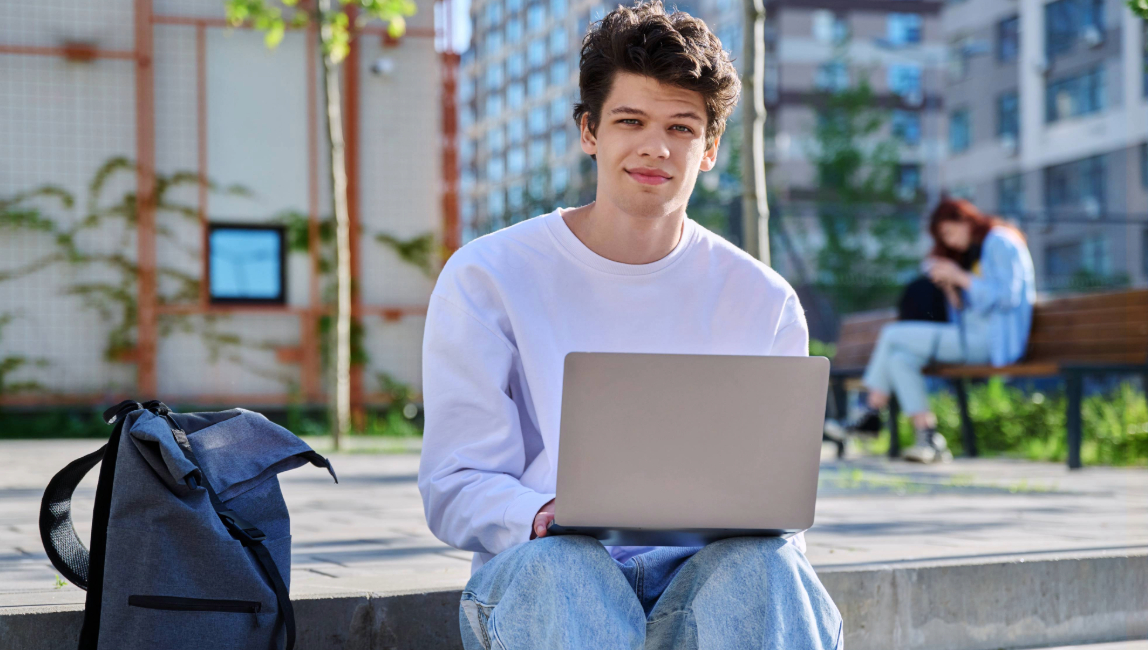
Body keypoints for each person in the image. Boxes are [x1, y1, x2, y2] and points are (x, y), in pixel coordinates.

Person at [417, 3, 843, 648]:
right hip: (550, 576)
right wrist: (537, 514)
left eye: (682, 126)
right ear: (590, 131)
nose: (655, 146)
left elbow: (774, 505)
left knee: (769, 566)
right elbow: (453, 485)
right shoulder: (490, 274)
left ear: (709, 149)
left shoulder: (763, 300)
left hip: (705, 577)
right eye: (630, 121)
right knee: (568, 570)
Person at [839, 198, 1035, 463]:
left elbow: (1007, 298)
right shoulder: (976, 251)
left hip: (993, 343)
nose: (950, 241)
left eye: (949, 233)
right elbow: (972, 309)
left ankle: (869, 412)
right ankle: (929, 439)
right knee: (900, 360)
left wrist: (960, 277)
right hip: (972, 338)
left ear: (964, 220)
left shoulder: (1000, 241)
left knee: (892, 334)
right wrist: (952, 290)